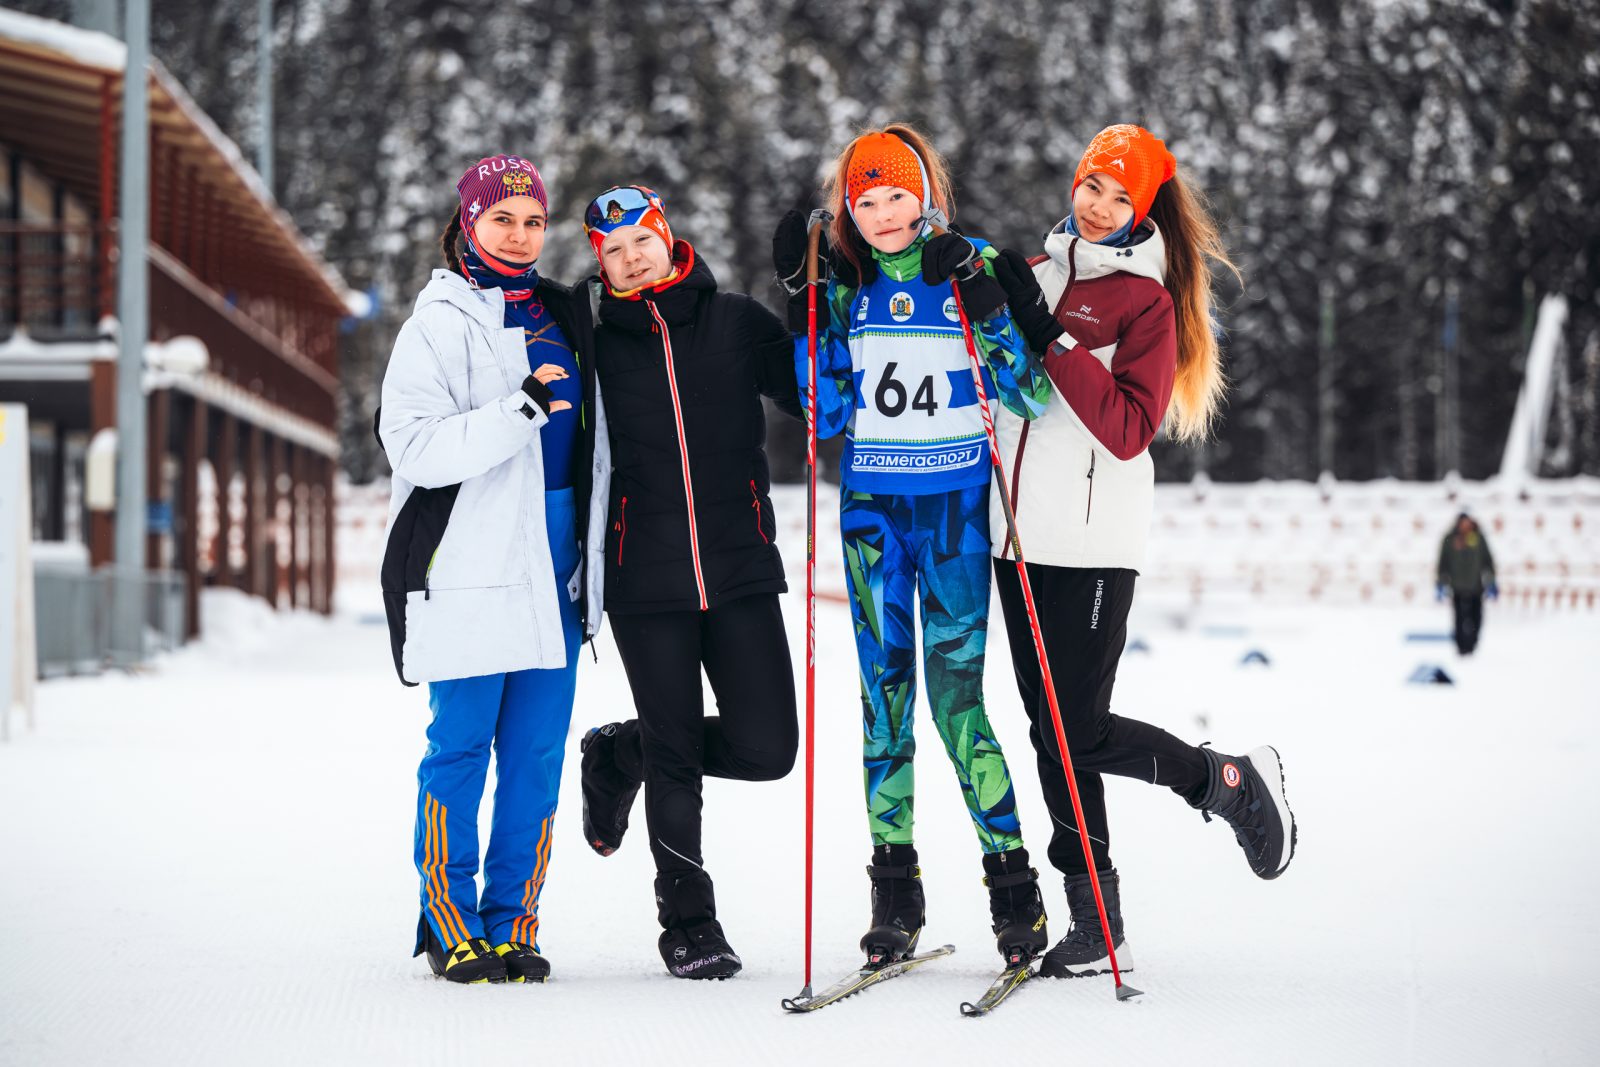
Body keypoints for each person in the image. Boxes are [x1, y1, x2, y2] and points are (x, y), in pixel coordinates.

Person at [979, 124, 1297, 980]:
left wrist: (1049, 336)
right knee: (1051, 735)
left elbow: (1125, 429)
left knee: (1077, 728)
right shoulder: (1038, 275)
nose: (1099, 205)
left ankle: (1223, 781)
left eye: (1121, 196)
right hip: (1016, 540)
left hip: (1091, 543)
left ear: (1144, 209)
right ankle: (1095, 917)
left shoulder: (1146, 303)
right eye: (1093, 185)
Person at [770, 124, 1055, 970]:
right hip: (873, 520)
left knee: (959, 704)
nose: (885, 213)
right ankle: (895, 894)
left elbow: (1029, 395)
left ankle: (1014, 886)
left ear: (926, 194)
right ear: (848, 210)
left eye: (898, 195)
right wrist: (804, 306)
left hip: (955, 516)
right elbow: (824, 414)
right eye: (867, 201)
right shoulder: (848, 282)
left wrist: (988, 301)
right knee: (884, 702)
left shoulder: (970, 261)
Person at [377, 154, 609, 984]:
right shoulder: (436, 325)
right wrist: (521, 409)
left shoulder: (564, 312)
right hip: (471, 563)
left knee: (537, 753)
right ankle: (449, 917)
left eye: (532, 221)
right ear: (467, 223)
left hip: (557, 561)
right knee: (461, 745)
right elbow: (412, 446)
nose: (518, 234)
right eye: (501, 218)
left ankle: (514, 920)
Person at [575, 185, 800, 980]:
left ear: (668, 237)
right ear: (601, 266)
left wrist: (807, 298)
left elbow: (811, 394)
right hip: (644, 580)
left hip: (740, 568)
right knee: (677, 755)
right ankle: (689, 922)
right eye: (613, 251)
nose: (631, 258)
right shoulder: (592, 343)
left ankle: (619, 750)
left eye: (641, 239)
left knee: (768, 747)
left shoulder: (735, 321)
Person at [1437, 512, 1497, 654]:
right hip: (1457, 586)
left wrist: (1491, 581)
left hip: (1475, 586)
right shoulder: (1450, 539)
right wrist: (1441, 582)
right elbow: (1443, 562)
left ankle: (1473, 645)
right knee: (1459, 618)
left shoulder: (1478, 538)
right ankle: (1461, 646)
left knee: (1476, 617)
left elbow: (1487, 561)